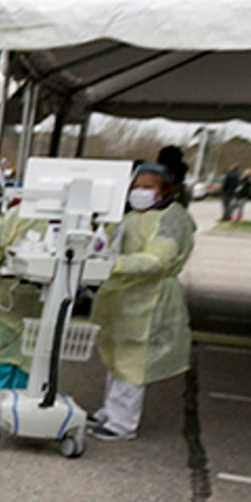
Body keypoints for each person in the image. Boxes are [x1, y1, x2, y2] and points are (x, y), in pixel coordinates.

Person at [89, 162, 196, 440]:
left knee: (133, 362)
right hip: (123, 295)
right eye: (136, 187)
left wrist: (114, 264)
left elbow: (158, 260)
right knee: (117, 356)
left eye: (148, 187)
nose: (140, 193)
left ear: (164, 191)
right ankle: (110, 410)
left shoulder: (172, 219)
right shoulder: (133, 216)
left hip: (148, 299)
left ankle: (122, 423)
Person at [0, 198, 45, 391]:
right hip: (4, 300)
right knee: (0, 357)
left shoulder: (78, 224)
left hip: (43, 304)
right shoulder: (20, 216)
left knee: (31, 361)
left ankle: (20, 408)